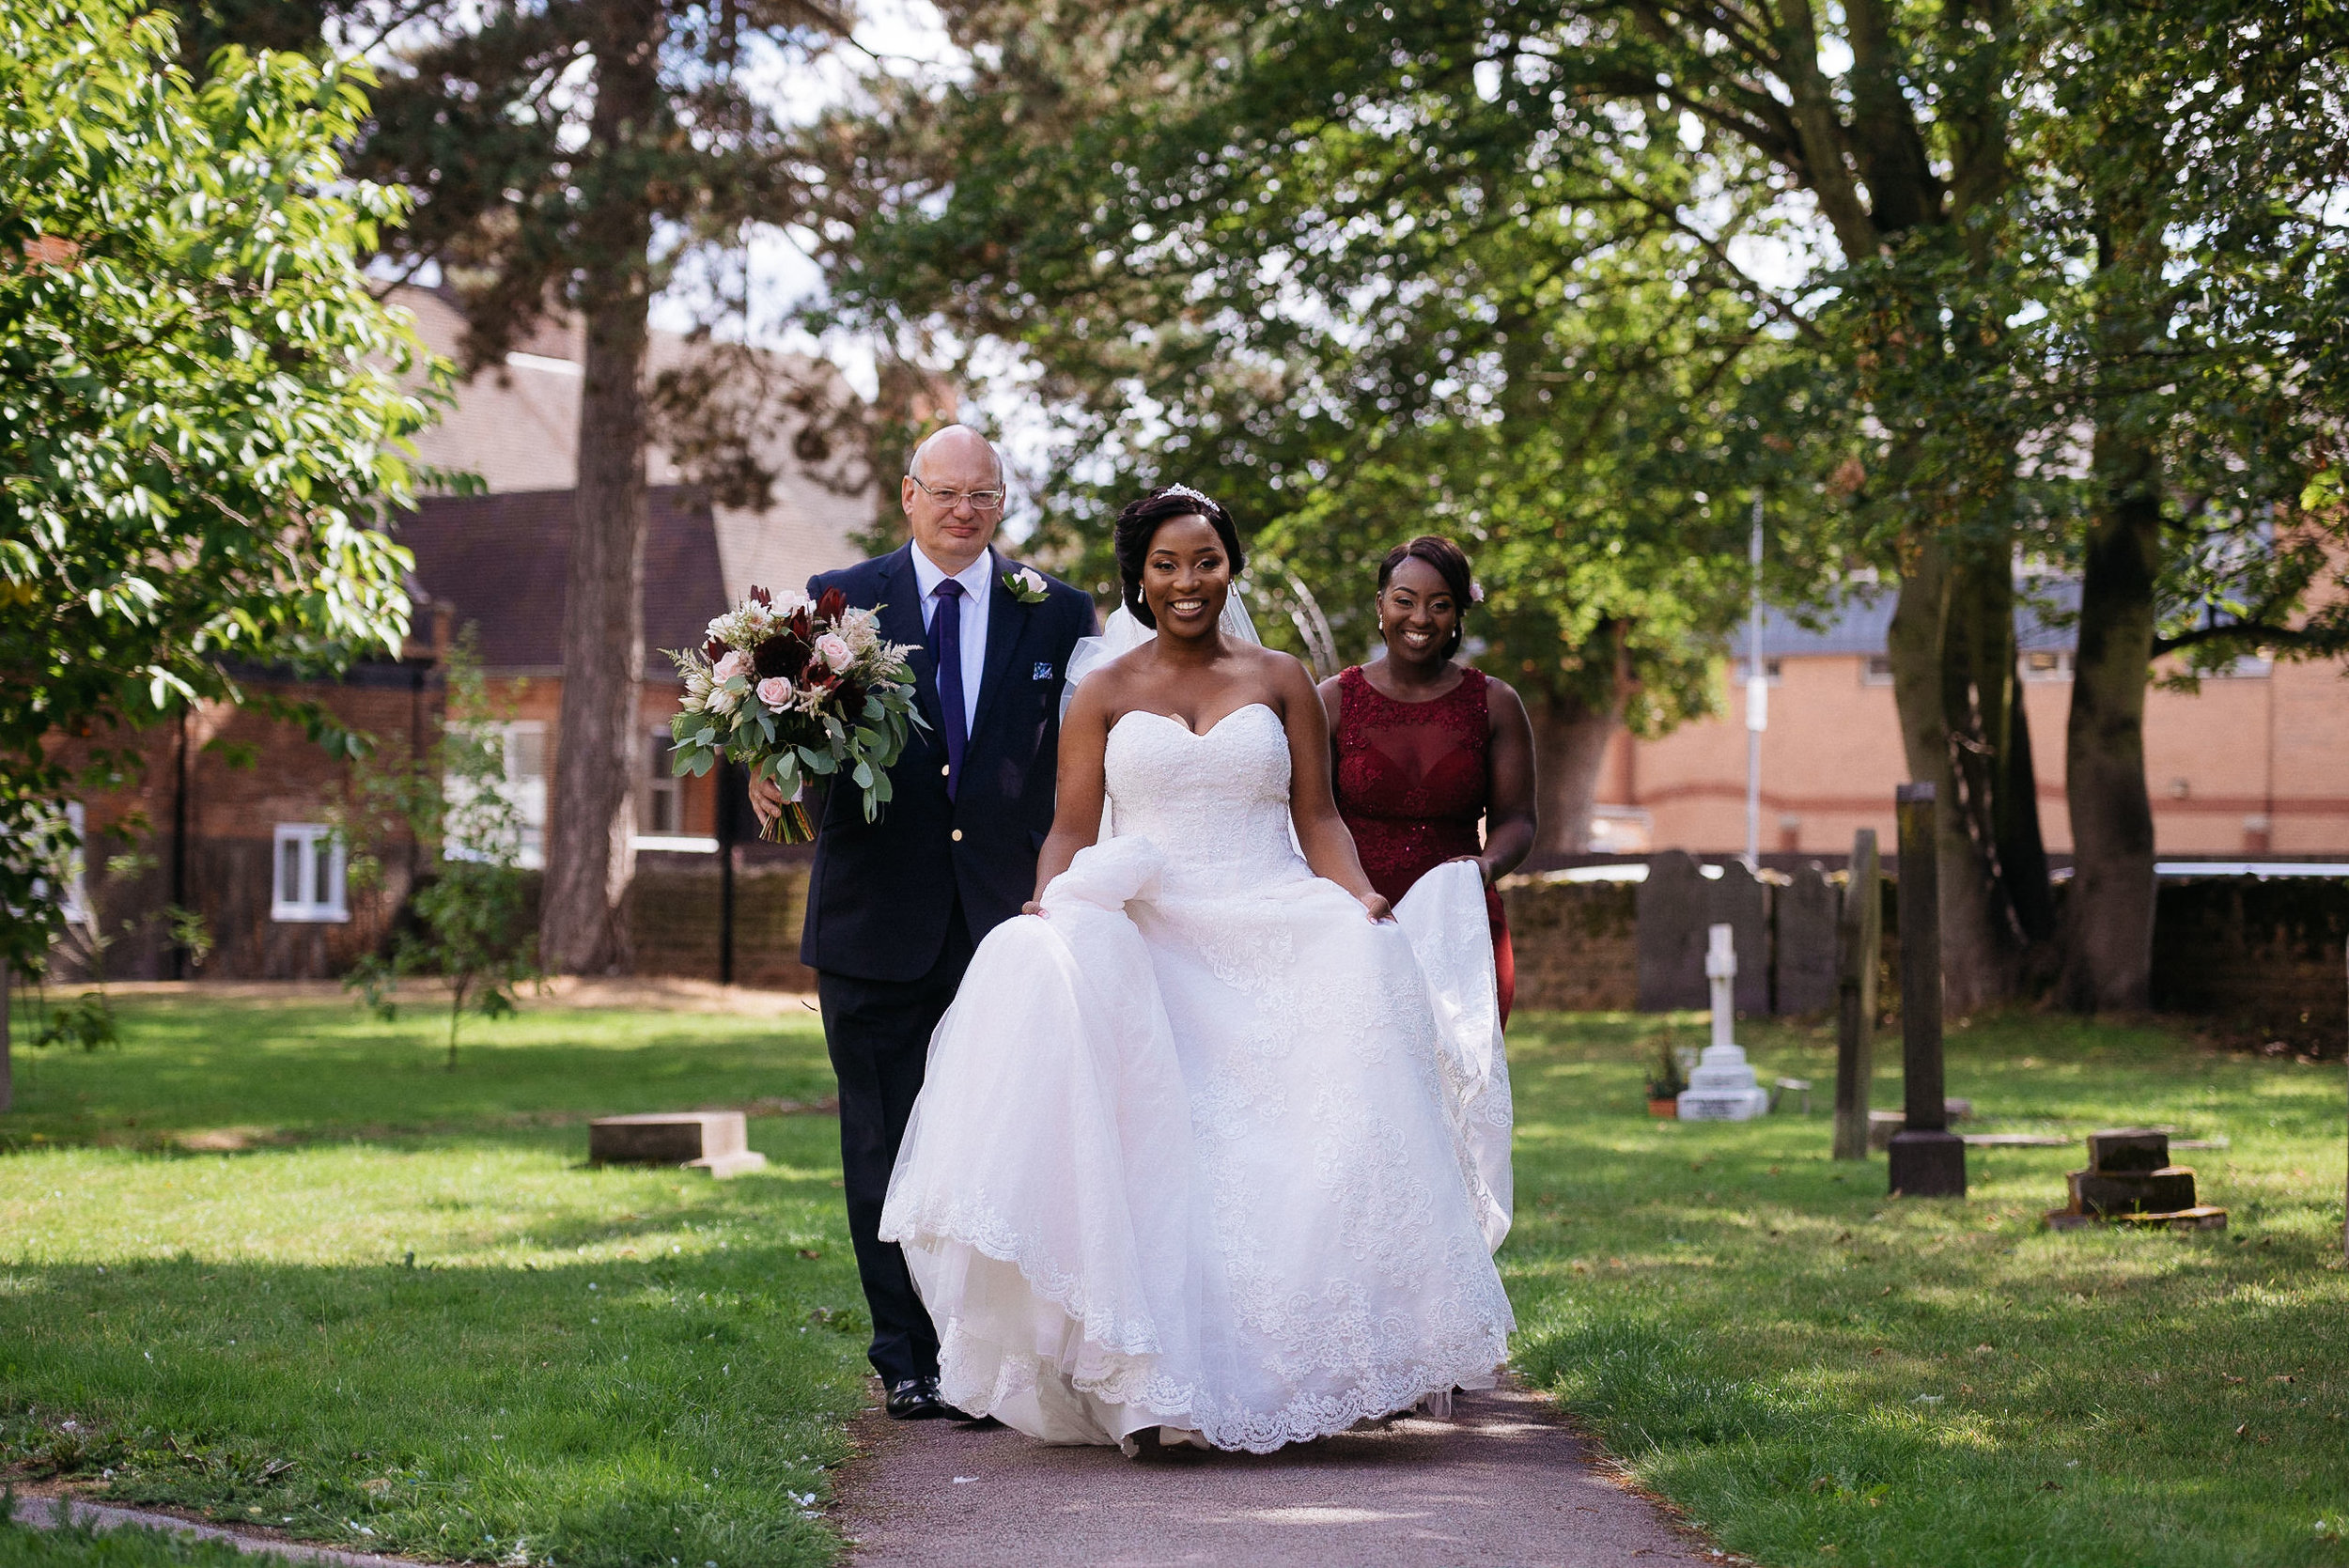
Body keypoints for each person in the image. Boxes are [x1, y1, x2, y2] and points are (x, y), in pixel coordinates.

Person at [879, 485, 1515, 1457]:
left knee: (1296, 1126)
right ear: (1137, 576)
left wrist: (1359, 899)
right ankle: (1150, 1381)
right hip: (1153, 926)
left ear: (1231, 568)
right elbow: (1071, 829)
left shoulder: (1282, 678)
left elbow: (1319, 819)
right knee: (1164, 1152)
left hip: (1270, 912)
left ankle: (1307, 1369)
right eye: (1167, 564)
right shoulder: (1101, 690)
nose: (1188, 581)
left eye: (1206, 561)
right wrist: (1050, 904)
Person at [748, 425, 1097, 1422]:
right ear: (907, 495)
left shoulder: (1058, 612)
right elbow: (781, 735)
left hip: (1009, 925)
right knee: (882, 1138)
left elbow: (1092, 760)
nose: (963, 510)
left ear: (1002, 503)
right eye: (944, 491)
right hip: (874, 918)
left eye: (982, 494)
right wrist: (764, 773)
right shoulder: (836, 601)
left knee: (1007, 1141)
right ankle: (905, 1356)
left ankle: (994, 1356)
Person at [1320, 536, 1537, 1022]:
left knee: (1462, 1081)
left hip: (1461, 918)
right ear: (1381, 604)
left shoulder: (1496, 703)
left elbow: (1519, 818)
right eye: (1405, 601)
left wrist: (1486, 866)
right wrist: (1348, 896)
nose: (1420, 618)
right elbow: (1309, 816)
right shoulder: (1332, 701)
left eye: (1439, 605)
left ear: (1458, 613)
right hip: (1360, 921)